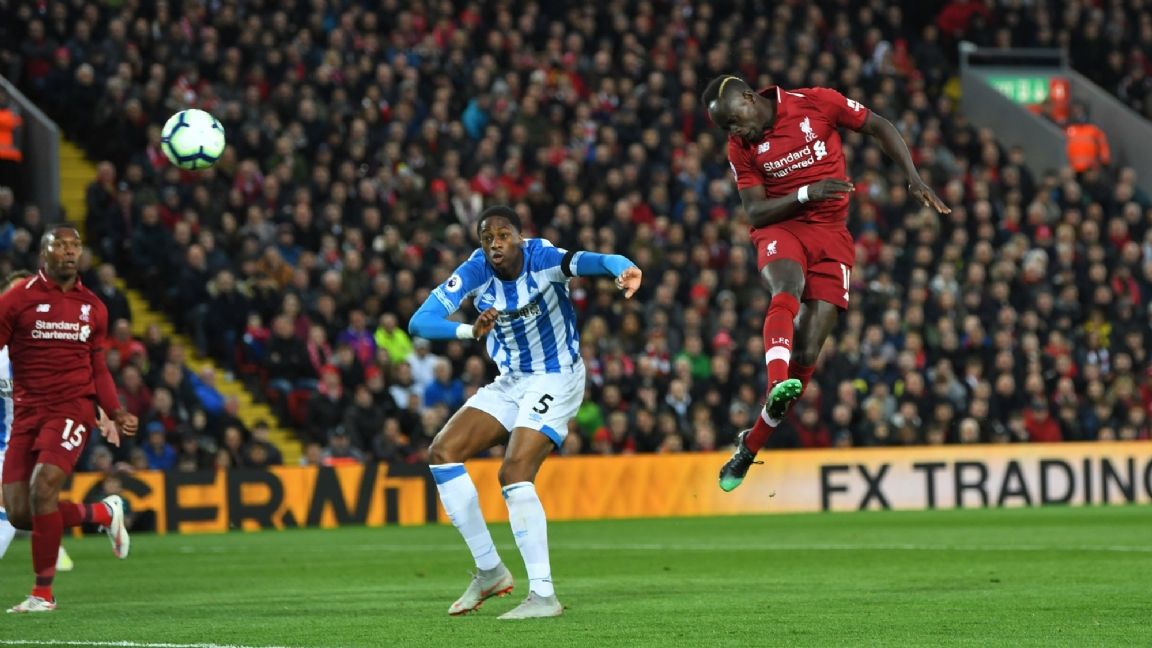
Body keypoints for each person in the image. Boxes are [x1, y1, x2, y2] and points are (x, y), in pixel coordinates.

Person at [700, 75, 950, 491]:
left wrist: (912, 176)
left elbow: (879, 125)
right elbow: (755, 212)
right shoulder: (740, 147)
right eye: (725, 128)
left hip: (832, 235)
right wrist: (806, 194)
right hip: (782, 226)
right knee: (786, 287)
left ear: (748, 98)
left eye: (732, 120)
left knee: (807, 351)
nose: (733, 131)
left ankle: (750, 446)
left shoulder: (815, 103)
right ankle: (775, 383)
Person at [409, 205, 641, 619]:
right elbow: (419, 321)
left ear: (519, 236)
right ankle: (489, 570)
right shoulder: (476, 269)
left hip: (557, 376)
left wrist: (620, 266)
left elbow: (590, 260)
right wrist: (469, 330)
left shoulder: (543, 257)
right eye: (487, 238)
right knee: (443, 452)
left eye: (503, 235)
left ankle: (543, 595)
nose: (495, 244)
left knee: (514, 472)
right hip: (513, 379)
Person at [0, 227, 139, 613]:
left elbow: (99, 367)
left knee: (44, 487)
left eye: (75, 246)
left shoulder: (93, 306)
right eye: (60, 245)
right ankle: (102, 513)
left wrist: (115, 410)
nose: (69, 252)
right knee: (20, 513)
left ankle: (42, 594)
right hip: (26, 415)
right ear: (43, 254)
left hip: (71, 409)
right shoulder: (16, 302)